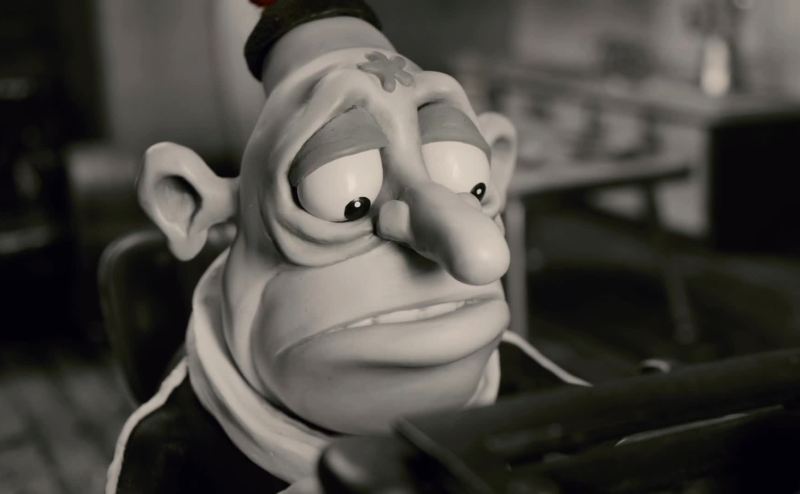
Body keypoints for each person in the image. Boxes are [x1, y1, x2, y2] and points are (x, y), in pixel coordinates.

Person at [107, 1, 587, 492]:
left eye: (470, 182)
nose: (480, 254)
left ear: (497, 164)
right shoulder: (178, 452)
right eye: (347, 197)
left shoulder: (532, 393)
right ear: (186, 201)